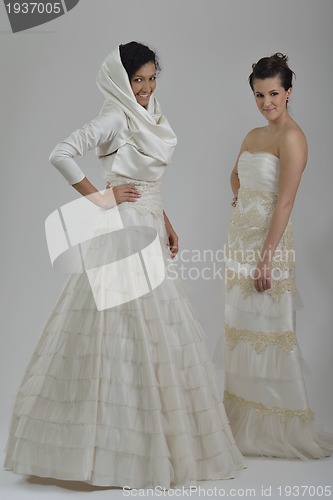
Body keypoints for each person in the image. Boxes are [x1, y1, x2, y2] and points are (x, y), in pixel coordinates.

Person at [3, 42, 245, 489]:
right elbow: (60, 152)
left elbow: (148, 180)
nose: (146, 88)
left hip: (150, 226)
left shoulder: (152, 115)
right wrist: (102, 197)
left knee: (156, 333)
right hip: (122, 233)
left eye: (153, 78)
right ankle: (109, 454)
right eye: (138, 80)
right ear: (121, 79)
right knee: (117, 332)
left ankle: (154, 446)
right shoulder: (115, 116)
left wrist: (167, 220)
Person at [214, 53, 333, 459]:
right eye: (259, 95)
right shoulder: (252, 135)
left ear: (289, 92)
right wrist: (242, 198)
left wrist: (266, 259)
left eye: (274, 94)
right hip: (239, 243)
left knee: (269, 333)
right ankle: (244, 424)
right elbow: (235, 174)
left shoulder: (293, 137)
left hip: (269, 244)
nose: (267, 102)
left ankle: (278, 428)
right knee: (240, 327)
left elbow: (284, 204)